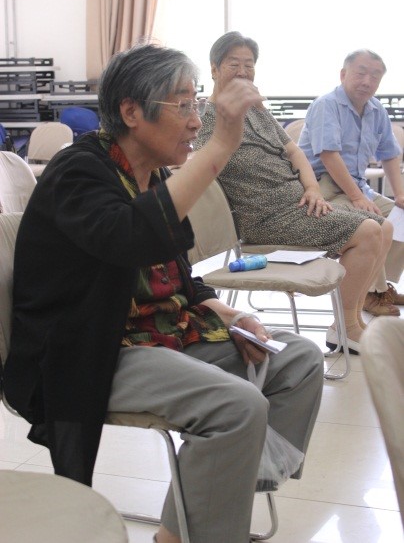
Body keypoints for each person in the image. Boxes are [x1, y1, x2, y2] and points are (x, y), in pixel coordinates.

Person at [4, 43, 324, 543]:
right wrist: (222, 146)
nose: (196, 122)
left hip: (162, 331)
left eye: (198, 104)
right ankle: (199, 527)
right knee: (238, 405)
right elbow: (131, 236)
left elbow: (177, 274)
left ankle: (210, 502)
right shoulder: (77, 172)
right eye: (184, 105)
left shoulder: (149, 172)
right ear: (131, 112)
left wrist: (224, 312)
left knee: (300, 360)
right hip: (96, 347)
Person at [195, 31, 395, 353]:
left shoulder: (256, 110)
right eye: (234, 64)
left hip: (297, 204)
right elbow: (203, 165)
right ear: (215, 69)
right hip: (264, 217)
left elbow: (294, 151)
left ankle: (353, 320)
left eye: (249, 64)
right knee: (369, 231)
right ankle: (343, 327)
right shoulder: (207, 119)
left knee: (384, 227)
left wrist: (313, 188)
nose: (244, 71)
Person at [299, 49, 404, 317]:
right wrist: (357, 197)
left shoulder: (376, 109)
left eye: (375, 76)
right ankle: (367, 293)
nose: (367, 81)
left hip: (355, 184)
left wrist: (400, 194)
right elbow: (328, 156)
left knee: (400, 214)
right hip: (321, 185)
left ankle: (379, 288)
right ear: (343, 74)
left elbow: (389, 153)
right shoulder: (327, 104)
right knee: (373, 220)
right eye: (361, 73)